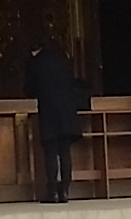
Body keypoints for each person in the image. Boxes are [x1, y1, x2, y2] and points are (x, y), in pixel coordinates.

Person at [27, 41, 86, 203]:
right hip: (67, 113)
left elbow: (30, 88)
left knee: (51, 153)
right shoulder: (62, 61)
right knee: (65, 152)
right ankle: (65, 190)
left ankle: (52, 191)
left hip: (49, 112)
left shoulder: (36, 63)